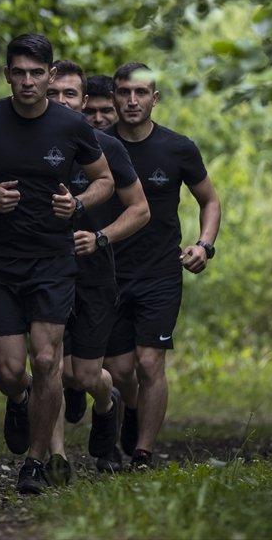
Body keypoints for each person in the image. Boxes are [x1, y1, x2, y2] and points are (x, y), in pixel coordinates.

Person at [0, 33, 114, 494]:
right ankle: (18, 400)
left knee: (47, 358)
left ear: (50, 75)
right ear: (7, 74)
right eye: (20, 72)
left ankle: (35, 460)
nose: (28, 82)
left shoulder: (71, 126)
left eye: (37, 73)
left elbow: (105, 181)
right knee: (11, 371)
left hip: (53, 260)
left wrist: (76, 203)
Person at [103, 62, 222, 469]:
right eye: (123, 93)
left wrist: (205, 245)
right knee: (119, 371)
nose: (131, 101)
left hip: (160, 273)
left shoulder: (178, 148)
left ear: (155, 98)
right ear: (113, 96)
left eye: (140, 93)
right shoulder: (95, 146)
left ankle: (143, 451)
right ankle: (130, 410)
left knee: (150, 361)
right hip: (107, 272)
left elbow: (209, 199)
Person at [45, 60, 150, 478]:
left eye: (69, 94)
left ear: (84, 100)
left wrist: (101, 236)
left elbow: (140, 210)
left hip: (94, 274)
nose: (60, 102)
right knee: (49, 365)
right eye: (53, 94)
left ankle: (106, 409)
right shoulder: (24, 139)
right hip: (43, 269)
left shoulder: (108, 147)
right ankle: (54, 458)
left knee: (87, 375)